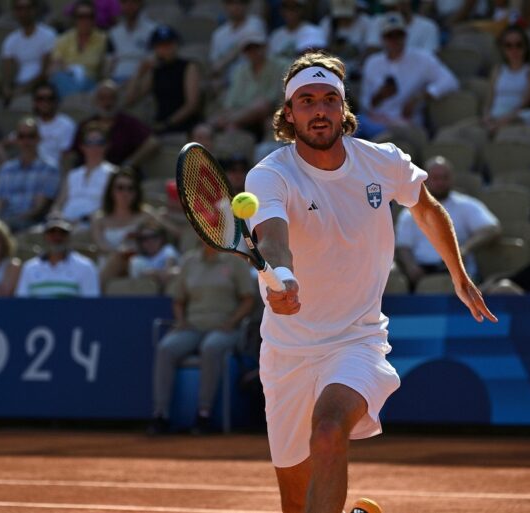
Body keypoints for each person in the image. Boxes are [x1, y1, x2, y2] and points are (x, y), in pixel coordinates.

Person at [244, 52, 496, 513]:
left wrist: (459, 275)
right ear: (288, 114)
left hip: (356, 341)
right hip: (287, 351)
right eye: (306, 101)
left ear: (343, 108)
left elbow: (426, 209)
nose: (319, 110)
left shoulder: (383, 162)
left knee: (328, 431)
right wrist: (283, 278)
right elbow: (273, 239)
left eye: (329, 99)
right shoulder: (270, 175)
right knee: (294, 503)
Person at [149, 240, 255, 435]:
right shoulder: (189, 261)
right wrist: (181, 321)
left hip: (225, 328)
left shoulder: (236, 262)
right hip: (193, 326)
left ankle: (203, 414)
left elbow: (248, 299)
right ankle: (160, 415)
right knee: (166, 348)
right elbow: (178, 300)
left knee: (211, 347)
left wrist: (232, 322)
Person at [396, 156, 500, 289]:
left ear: (452, 179)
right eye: (435, 178)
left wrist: (465, 249)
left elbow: (492, 229)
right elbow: (403, 246)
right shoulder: (410, 211)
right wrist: (411, 266)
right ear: (425, 180)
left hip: (458, 272)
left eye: (445, 177)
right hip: (423, 273)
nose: (440, 182)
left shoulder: (465, 205)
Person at [358, 12, 458, 139]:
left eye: (399, 35)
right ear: (382, 39)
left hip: (405, 124)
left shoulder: (422, 58)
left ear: (405, 36)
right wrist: (379, 96)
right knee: (348, 126)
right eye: (390, 36)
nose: (395, 40)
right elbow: (365, 103)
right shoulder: (372, 62)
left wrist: (419, 97)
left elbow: (450, 81)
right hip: (374, 122)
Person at [124, 25, 202, 135]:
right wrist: (139, 74)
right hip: (160, 124)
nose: (166, 49)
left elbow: (192, 104)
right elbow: (130, 100)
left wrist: (168, 123)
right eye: (161, 46)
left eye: (169, 44)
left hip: (185, 124)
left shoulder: (188, 67)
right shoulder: (155, 71)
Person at [208, 29, 285, 139]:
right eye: (248, 49)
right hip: (243, 115)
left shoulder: (281, 66)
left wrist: (233, 117)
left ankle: (228, 122)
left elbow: (271, 101)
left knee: (261, 106)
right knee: (228, 124)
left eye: (256, 47)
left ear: (265, 47)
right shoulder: (240, 71)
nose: (253, 51)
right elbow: (231, 102)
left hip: (270, 112)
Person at [0, 117, 60, 232]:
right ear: (16, 139)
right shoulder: (6, 169)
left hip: (30, 223)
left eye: (31, 136)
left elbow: (37, 209)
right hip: (4, 222)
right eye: (21, 136)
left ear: (38, 138)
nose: (26, 141)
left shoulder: (49, 168)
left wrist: (8, 222)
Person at [75, 80, 158, 170]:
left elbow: (152, 142)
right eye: (102, 98)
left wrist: (128, 164)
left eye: (112, 98)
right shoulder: (85, 125)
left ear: (117, 100)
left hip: (120, 173)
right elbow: (72, 153)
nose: (107, 103)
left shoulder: (128, 123)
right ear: (95, 101)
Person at [15, 217, 100, 297]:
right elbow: (22, 301)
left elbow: (91, 302)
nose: (57, 237)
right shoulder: (29, 268)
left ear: (69, 237)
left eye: (62, 233)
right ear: (44, 236)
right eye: (52, 232)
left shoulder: (86, 267)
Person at [51, 123, 117, 226]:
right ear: (82, 146)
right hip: (63, 225)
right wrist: (56, 215)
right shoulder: (72, 175)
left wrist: (84, 219)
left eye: (99, 142)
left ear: (107, 145)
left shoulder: (113, 173)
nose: (94, 147)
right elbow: (59, 204)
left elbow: (112, 207)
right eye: (89, 142)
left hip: (93, 225)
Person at [0, 0, 57, 104]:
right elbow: (7, 72)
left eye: (28, 8)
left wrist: (23, 90)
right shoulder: (10, 40)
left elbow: (44, 73)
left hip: (41, 87)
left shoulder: (48, 35)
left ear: (35, 10)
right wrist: (7, 89)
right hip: (18, 85)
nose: (24, 12)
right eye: (19, 8)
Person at [49, 0, 108, 96]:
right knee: (58, 77)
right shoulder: (63, 39)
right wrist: (71, 70)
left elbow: (106, 67)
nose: (85, 21)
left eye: (89, 16)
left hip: (90, 81)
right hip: (67, 78)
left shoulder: (103, 39)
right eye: (81, 16)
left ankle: (73, 99)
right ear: (74, 19)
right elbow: (55, 64)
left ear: (94, 19)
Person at [483, 24, 530, 134]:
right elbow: (489, 100)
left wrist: (504, 120)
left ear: (526, 47)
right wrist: (486, 117)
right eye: (508, 45)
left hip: (515, 118)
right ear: (502, 48)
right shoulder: (497, 70)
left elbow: (525, 103)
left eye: (519, 45)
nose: (514, 49)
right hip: (493, 116)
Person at [209, 0, 268, 87]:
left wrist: (222, 63)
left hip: (254, 82)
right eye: (231, 3)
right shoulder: (218, 34)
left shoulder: (255, 23)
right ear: (225, 5)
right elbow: (215, 67)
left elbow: (252, 47)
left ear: (247, 5)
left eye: (240, 2)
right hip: (227, 84)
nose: (236, 6)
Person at [106, 0, 157, 84]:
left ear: (140, 4)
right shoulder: (113, 33)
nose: (129, 6)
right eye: (125, 2)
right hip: (117, 79)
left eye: (133, 2)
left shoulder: (153, 30)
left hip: (141, 78)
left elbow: (152, 60)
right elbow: (110, 61)